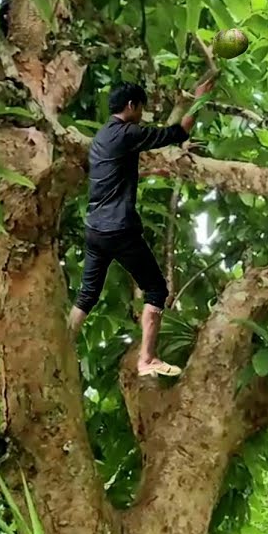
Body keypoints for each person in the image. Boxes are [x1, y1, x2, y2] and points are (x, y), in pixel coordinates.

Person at [69, 79, 214, 377]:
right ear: (132, 106)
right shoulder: (128, 133)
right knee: (156, 289)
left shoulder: (101, 138)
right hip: (119, 230)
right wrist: (199, 100)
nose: (143, 115)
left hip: (95, 228)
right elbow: (177, 131)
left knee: (87, 295)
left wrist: (165, 163)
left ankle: (61, 342)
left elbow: (122, 168)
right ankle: (147, 360)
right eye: (142, 108)